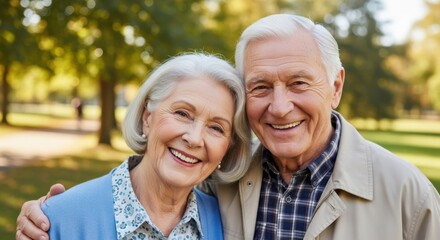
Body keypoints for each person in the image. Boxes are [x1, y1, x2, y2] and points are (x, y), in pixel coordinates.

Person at [17, 14, 440, 240]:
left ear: (335, 85)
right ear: (147, 113)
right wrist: (49, 217)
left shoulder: (407, 196)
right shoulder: (217, 187)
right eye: (260, 86)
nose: (279, 106)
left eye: (298, 83)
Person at [16, 52, 252, 240]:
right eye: (182, 113)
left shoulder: (225, 221)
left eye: (216, 128)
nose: (194, 138)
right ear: (146, 117)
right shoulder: (58, 219)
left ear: (229, 146)